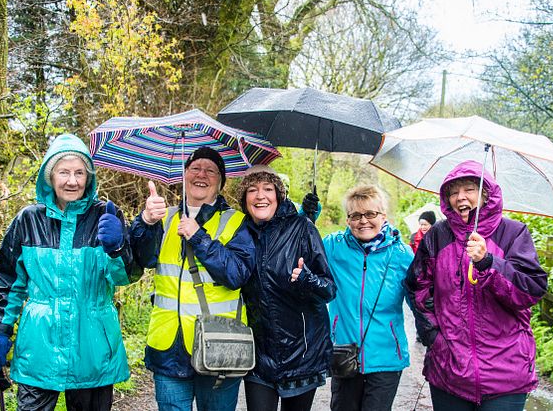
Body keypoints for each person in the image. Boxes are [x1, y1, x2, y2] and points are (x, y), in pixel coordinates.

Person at [0, 133, 141, 410]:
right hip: (39, 347)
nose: (72, 180)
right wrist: (0, 330)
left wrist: (117, 249)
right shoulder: (28, 220)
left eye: (80, 172)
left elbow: (125, 277)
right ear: (50, 176)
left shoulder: (105, 216)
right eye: (64, 172)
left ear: (89, 177)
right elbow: (10, 283)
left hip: (93, 347)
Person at [405, 160, 548, 410]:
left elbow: (530, 290)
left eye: (469, 189)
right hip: (449, 369)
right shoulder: (438, 236)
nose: (461, 197)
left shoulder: (513, 233)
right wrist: (435, 338)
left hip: (506, 371)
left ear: (485, 194)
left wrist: (488, 262)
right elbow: (417, 288)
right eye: (453, 192)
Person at [129, 147, 255, 411]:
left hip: (219, 346)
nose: (202, 175)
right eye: (195, 168)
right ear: (184, 175)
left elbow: (237, 274)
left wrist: (198, 237)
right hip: (169, 346)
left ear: (220, 182)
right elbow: (141, 260)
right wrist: (145, 222)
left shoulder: (235, 222)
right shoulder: (164, 218)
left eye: (210, 171)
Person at [237, 168, 336, 411]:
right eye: (252, 190)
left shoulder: (303, 228)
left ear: (279, 195)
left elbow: (329, 289)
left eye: (268, 189)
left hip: (302, 355)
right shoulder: (240, 232)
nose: (260, 196)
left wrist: (307, 280)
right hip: (260, 356)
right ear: (245, 199)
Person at [323, 185, 415, 411]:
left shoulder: (403, 255)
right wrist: (306, 217)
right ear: (347, 220)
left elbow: (418, 302)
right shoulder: (333, 247)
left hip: (386, 357)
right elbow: (301, 248)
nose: (363, 221)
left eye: (370, 214)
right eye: (355, 215)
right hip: (344, 353)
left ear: (383, 216)